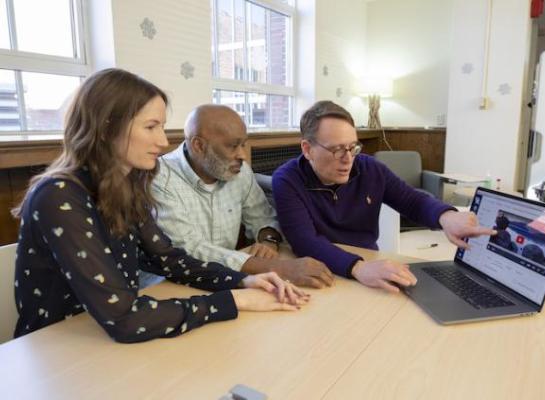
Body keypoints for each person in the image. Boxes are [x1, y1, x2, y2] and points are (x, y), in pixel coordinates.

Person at [12, 69, 308, 343]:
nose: (163, 141)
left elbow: (170, 259)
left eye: (162, 127)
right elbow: (124, 318)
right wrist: (234, 300)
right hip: (58, 347)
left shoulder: (127, 187)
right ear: (105, 129)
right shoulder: (58, 196)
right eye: (151, 126)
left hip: (98, 336)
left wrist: (246, 280)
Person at [272, 100, 496, 293]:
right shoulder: (287, 179)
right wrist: (357, 268)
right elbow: (305, 242)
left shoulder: (370, 169)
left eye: (352, 147)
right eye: (336, 150)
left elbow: (411, 200)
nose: (348, 159)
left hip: (368, 265)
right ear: (307, 149)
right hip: (323, 270)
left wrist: (446, 216)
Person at [152, 104, 334, 288]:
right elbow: (188, 249)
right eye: (232, 146)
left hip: (226, 280)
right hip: (168, 286)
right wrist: (277, 268)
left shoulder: (240, 172)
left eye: (243, 144)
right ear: (198, 145)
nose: (243, 155)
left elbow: (263, 216)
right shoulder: (160, 178)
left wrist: (268, 241)